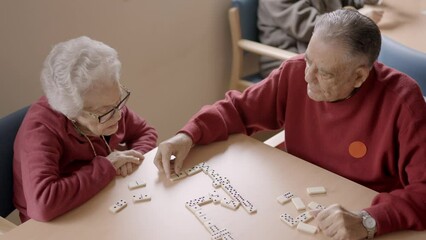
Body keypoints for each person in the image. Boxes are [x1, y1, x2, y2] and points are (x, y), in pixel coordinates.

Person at [154, 9, 426, 239]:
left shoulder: (404, 102)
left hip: (361, 214)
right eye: (309, 61)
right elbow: (238, 108)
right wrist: (189, 134)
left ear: (359, 77)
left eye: (325, 73)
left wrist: (369, 220)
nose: (308, 77)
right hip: (299, 201)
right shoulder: (294, 72)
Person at [13, 36, 158, 222]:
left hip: (99, 196)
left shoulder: (107, 104)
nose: (118, 116)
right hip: (58, 220)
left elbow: (144, 132)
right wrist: (107, 166)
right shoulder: (40, 130)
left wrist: (132, 158)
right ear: (72, 113)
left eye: (119, 101)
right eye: (104, 111)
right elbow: (43, 204)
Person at [258, 0, 384, 77]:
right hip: (288, 60)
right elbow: (314, 28)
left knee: (368, 70)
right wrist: (359, 16)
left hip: (325, 53)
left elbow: (345, 3)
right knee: (362, 73)